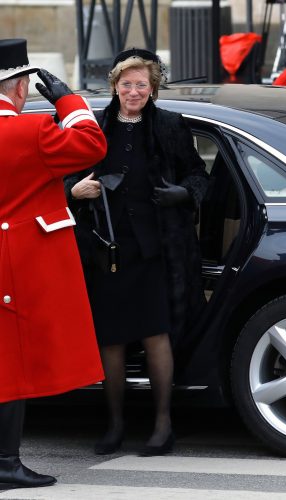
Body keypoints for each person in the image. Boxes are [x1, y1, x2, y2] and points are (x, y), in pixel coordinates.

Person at [65, 48, 208, 457]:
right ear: (115, 86)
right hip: (105, 247)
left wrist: (183, 193)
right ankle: (114, 424)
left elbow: (199, 174)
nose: (133, 91)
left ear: (152, 88)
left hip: (156, 248)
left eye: (141, 85)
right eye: (126, 84)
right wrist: (73, 192)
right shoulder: (94, 126)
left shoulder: (169, 126)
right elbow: (65, 175)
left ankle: (163, 424)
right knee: (110, 340)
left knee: (154, 335)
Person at [0, 39, 106, 489]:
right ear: (21, 86)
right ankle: (5, 463)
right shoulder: (28, 132)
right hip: (18, 265)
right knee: (11, 369)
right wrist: (69, 99)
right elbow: (91, 144)